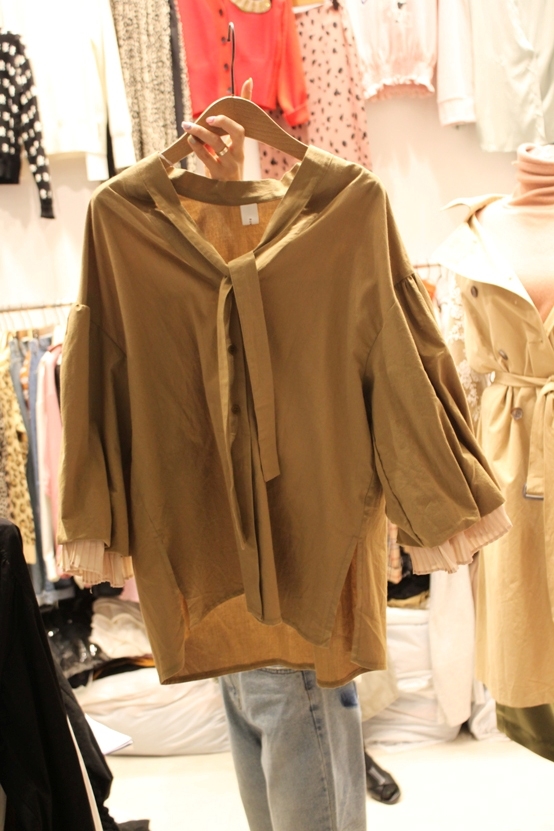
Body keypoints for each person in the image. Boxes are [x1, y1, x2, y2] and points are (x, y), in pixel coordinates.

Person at [183, 79, 399, 830]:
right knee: (271, 705)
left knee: (281, 705)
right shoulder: (164, 233)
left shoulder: (340, 217)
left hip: (277, 560)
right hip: (253, 561)